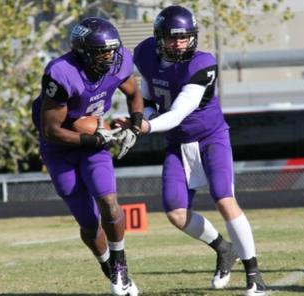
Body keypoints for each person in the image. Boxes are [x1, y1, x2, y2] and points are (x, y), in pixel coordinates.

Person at [131, 5, 267, 296]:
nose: (179, 43)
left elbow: (179, 112)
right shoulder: (145, 55)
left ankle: (254, 274)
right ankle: (223, 249)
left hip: (210, 138)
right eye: (172, 37)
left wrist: (147, 127)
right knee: (176, 212)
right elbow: (150, 94)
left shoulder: (202, 64)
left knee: (224, 198)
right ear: (158, 38)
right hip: (177, 144)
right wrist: (144, 114)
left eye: (184, 37)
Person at [31, 17, 142, 296]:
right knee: (88, 222)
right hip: (59, 149)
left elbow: (134, 93)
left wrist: (136, 124)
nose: (109, 57)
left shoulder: (119, 62)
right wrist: (95, 137)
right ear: (82, 52)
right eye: (101, 52)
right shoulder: (62, 73)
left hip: (93, 142)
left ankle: (120, 263)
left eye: (112, 50)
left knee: (108, 199)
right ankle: (108, 267)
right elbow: (51, 130)